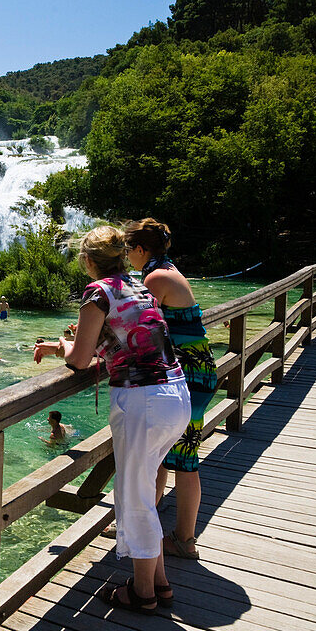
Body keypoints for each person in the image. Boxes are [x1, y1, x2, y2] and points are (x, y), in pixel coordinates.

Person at [33, 225, 189, 614]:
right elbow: (124, 342)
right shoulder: (138, 286)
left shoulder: (97, 292)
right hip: (175, 395)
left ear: (87, 260)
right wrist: (66, 347)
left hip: (143, 402)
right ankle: (159, 583)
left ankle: (142, 593)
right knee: (143, 495)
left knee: (134, 498)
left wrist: (65, 348)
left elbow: (80, 360)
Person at [125, 218, 216, 561]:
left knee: (185, 460)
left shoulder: (155, 277)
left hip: (188, 374)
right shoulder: (167, 269)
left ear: (140, 249)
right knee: (163, 453)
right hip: (197, 370)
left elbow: (142, 327)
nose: (126, 256)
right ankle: (148, 522)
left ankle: (183, 539)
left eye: (127, 250)